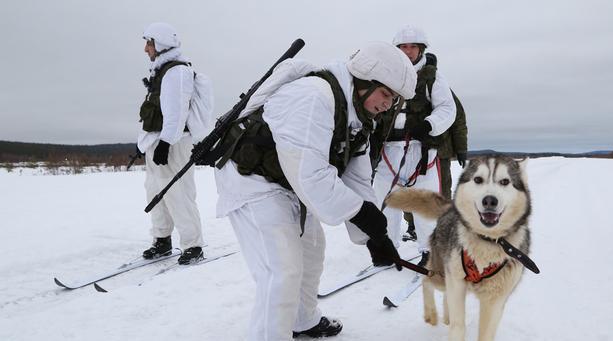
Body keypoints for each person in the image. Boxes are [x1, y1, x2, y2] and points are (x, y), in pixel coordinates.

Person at [212, 42, 416, 340]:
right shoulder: (313, 96)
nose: (388, 104)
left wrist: (375, 237)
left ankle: (303, 320)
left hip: (287, 182)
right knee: (281, 270)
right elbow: (312, 175)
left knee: (311, 250)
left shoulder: (358, 117)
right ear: (364, 81)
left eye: (394, 99)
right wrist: (361, 214)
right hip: (252, 180)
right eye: (386, 94)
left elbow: (356, 179)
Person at [370, 26, 456, 267]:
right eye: (403, 47)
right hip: (388, 150)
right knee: (385, 199)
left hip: (421, 151)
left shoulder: (433, 77)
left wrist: (429, 125)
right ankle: (387, 247)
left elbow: (448, 109)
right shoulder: (384, 74)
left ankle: (430, 252)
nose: (408, 52)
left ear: (421, 50)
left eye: (412, 47)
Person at [137, 22, 206, 265]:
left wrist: (166, 142)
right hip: (157, 141)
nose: (146, 48)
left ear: (161, 43)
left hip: (174, 142)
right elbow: (154, 111)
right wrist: (143, 143)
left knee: (179, 192)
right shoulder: (161, 70)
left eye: (149, 42)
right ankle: (162, 239)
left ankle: (193, 245)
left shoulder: (176, 72)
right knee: (154, 190)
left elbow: (176, 112)